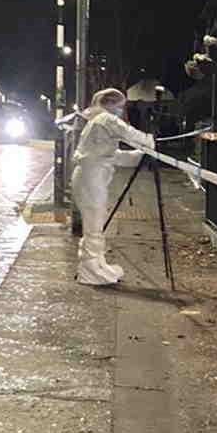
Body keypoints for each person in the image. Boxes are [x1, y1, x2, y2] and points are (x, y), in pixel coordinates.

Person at [71, 88, 155, 286]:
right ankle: (90, 272)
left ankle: (96, 264)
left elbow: (109, 155)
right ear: (109, 104)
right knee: (94, 226)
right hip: (91, 181)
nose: (121, 111)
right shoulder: (106, 120)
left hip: (89, 179)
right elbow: (130, 134)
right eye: (119, 107)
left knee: (96, 225)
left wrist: (136, 156)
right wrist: (149, 141)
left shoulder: (96, 122)